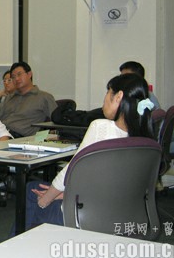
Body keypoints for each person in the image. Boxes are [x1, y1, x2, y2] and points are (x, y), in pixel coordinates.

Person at [23, 73, 155, 231]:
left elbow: (70, 172)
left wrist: (46, 200)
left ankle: (16, 250)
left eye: (108, 92)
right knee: (40, 190)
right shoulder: (145, 140)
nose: (104, 99)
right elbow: (109, 183)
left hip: (85, 218)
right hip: (125, 218)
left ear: (118, 96)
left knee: (32, 192)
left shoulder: (101, 127)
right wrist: (63, 195)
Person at [0, 62, 57, 137]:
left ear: (29, 74)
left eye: (19, 74)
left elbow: (58, 121)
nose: (16, 79)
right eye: (13, 77)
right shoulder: (9, 98)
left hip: (20, 138)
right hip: (0, 134)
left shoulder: (43, 97)